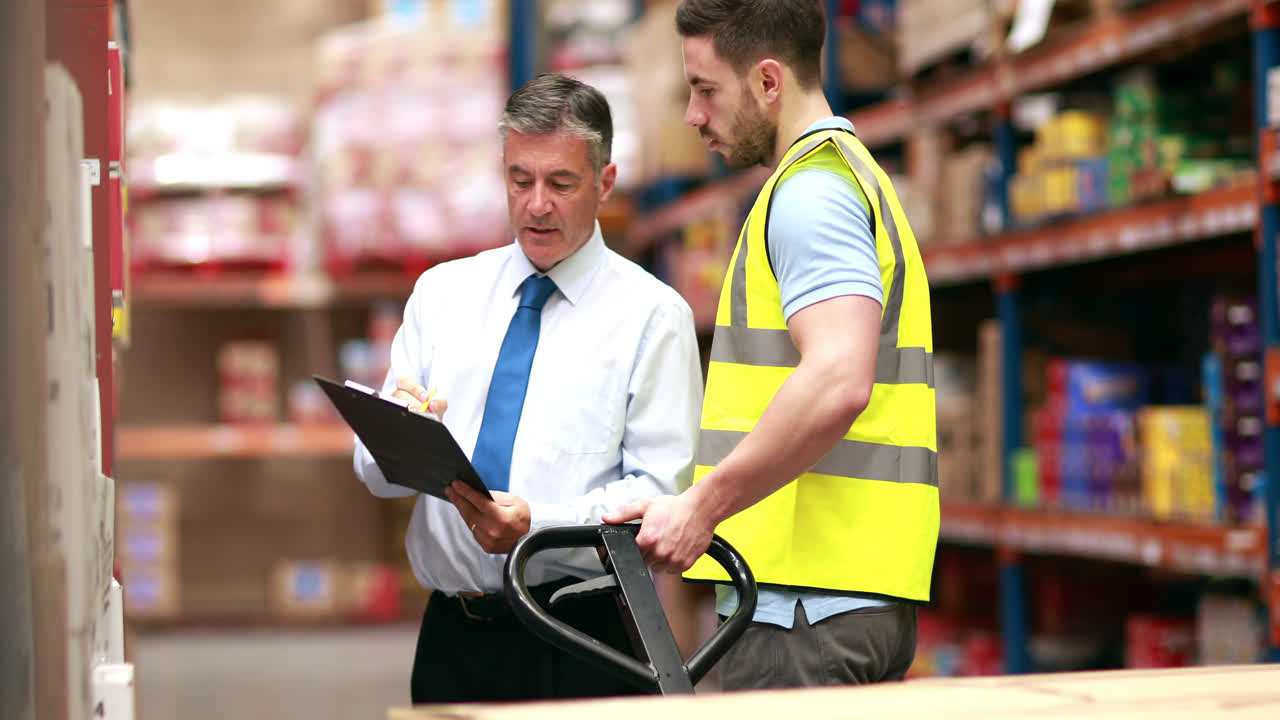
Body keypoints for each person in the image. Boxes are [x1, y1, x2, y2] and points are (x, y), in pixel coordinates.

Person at [604, 0, 939, 690]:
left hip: (805, 614)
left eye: (705, 89)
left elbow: (838, 379)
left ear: (767, 82)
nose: (694, 115)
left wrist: (701, 508)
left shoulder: (811, 195)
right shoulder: (848, 177)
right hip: (840, 596)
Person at [353, 73, 703, 704]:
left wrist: (537, 525)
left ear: (604, 182)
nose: (536, 203)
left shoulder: (653, 318)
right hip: (453, 638)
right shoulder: (443, 294)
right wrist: (396, 428)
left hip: (584, 640)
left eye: (561, 183)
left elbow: (660, 500)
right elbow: (377, 475)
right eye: (520, 180)